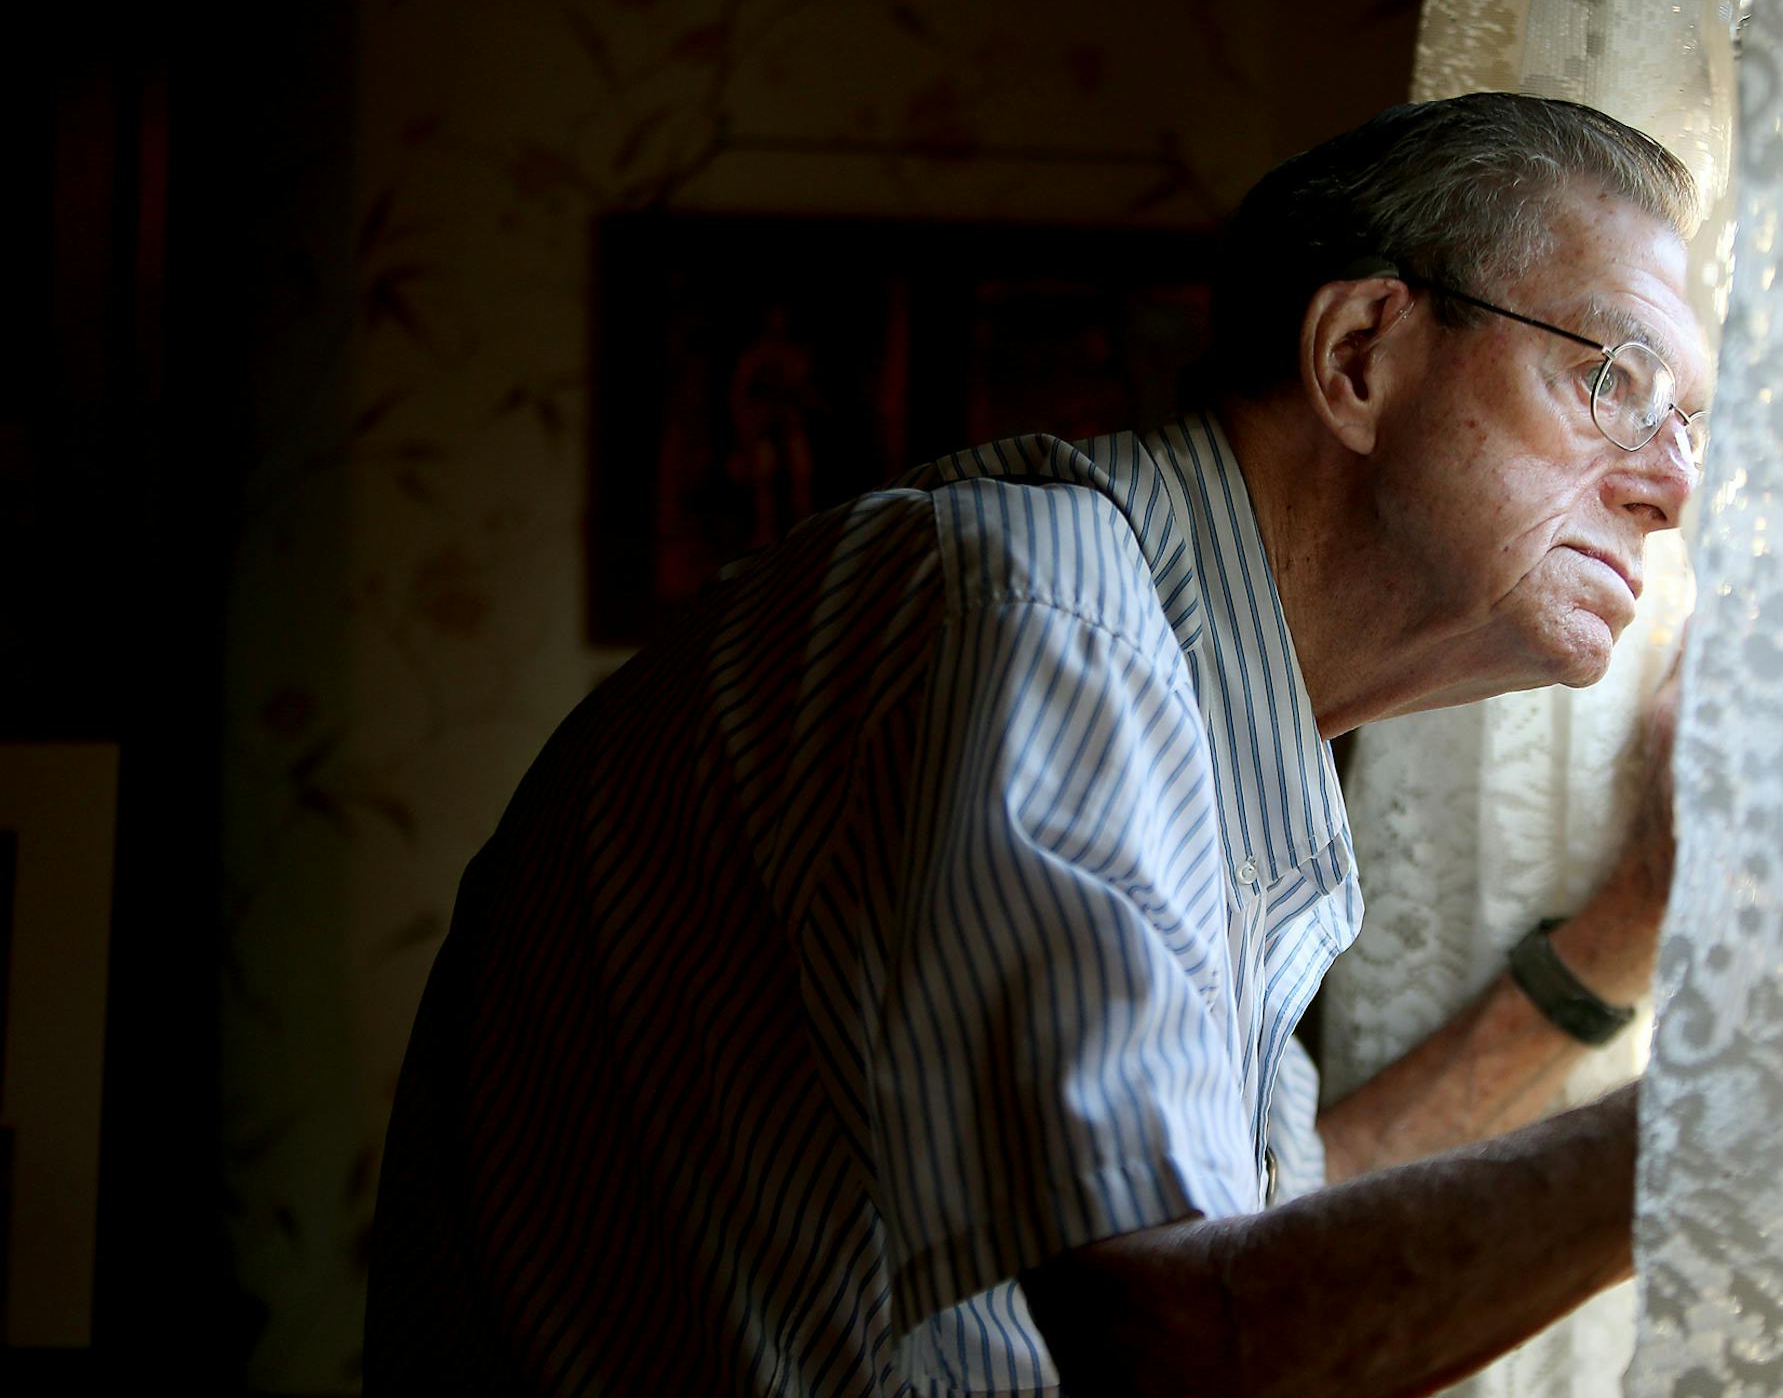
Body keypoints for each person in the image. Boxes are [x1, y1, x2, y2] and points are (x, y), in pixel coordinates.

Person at [364, 92, 1707, 1397]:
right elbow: (1179, 1347)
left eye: (1690, 426)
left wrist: (1619, 935)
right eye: (1617, 380)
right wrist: (1737, 1113)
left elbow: (1267, 1240)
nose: (1672, 486)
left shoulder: (1183, 691)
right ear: (1360, 355)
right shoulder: (1037, 612)